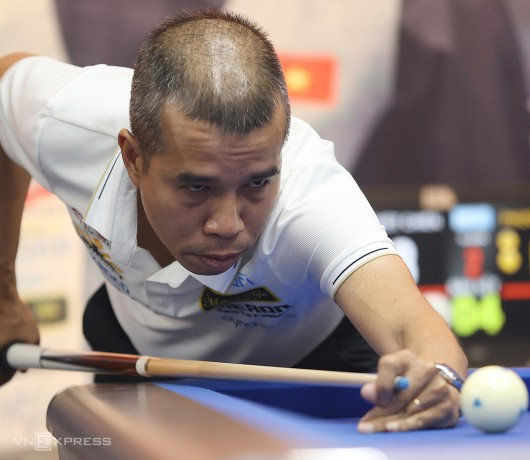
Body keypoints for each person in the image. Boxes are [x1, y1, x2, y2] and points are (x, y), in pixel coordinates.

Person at [0, 10, 467, 433]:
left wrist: (437, 377)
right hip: (136, 349)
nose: (227, 225)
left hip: (314, 366)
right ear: (134, 157)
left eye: (256, 184)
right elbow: (5, 87)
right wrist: (3, 294)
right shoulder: (66, 125)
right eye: (197, 187)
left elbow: (413, 326)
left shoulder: (310, 201)